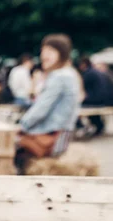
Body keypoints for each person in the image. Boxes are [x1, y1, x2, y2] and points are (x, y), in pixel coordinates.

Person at [15, 34, 80, 173]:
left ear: (62, 55)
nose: (44, 56)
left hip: (52, 138)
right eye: (43, 51)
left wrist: (21, 126)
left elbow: (41, 109)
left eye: (50, 52)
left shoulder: (60, 76)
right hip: (60, 135)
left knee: (10, 145)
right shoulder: (68, 74)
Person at [78, 57, 113, 136]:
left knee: (79, 107)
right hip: (108, 100)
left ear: (83, 65)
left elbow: (82, 88)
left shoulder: (88, 73)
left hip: (102, 100)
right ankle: (98, 126)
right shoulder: (100, 73)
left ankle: (82, 126)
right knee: (87, 105)